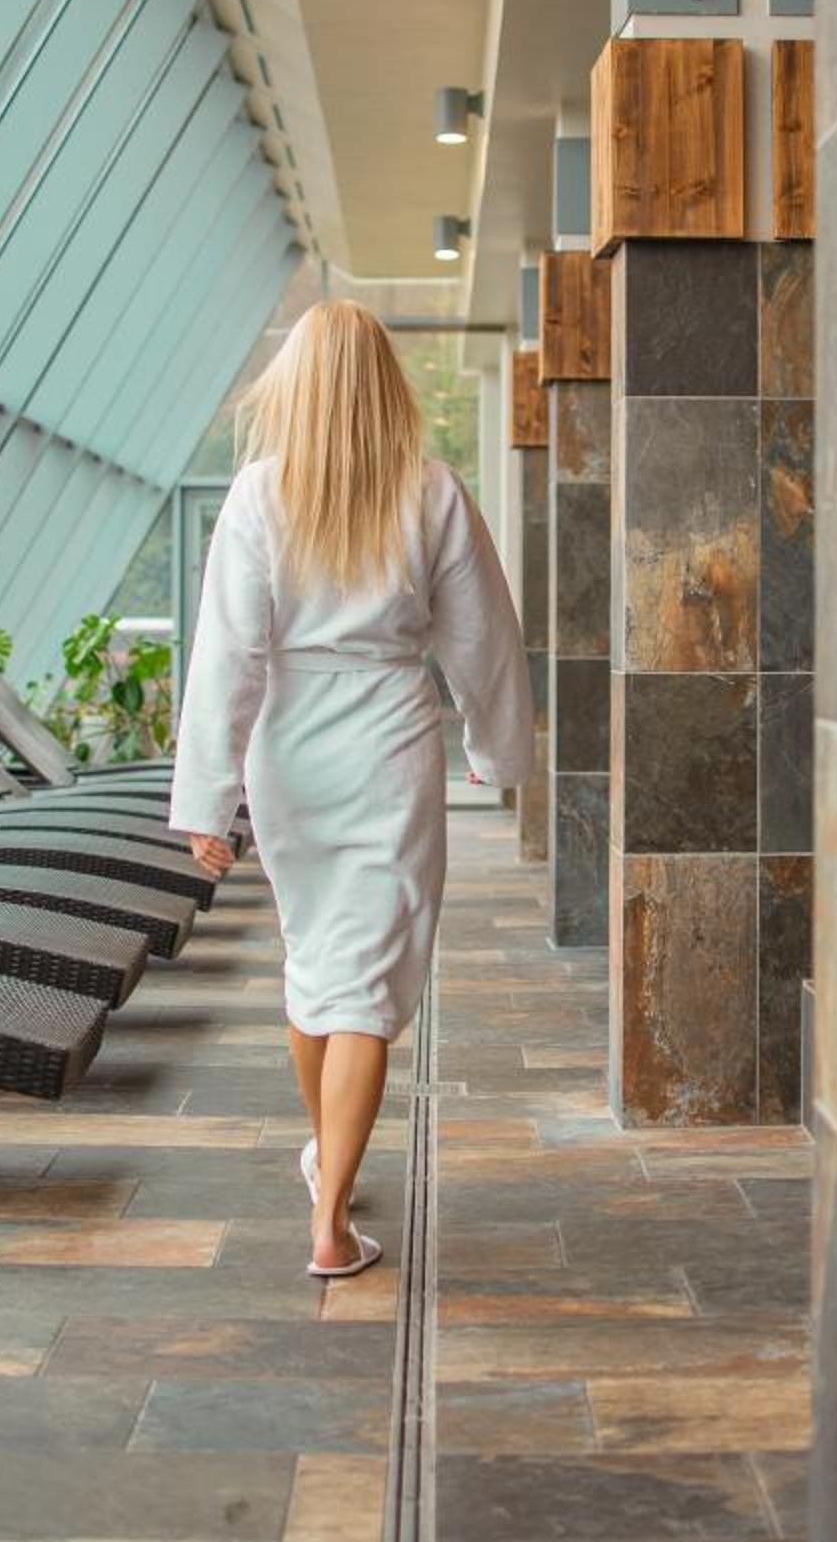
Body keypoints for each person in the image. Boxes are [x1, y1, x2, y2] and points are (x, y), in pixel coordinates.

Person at [167, 300, 533, 1277]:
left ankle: (327, 1158)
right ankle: (330, 1218)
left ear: (296, 385)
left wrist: (207, 800)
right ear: (385, 384)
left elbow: (226, 656)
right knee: (365, 982)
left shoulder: (258, 495)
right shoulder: (432, 491)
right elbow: (484, 640)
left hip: (288, 752)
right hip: (387, 743)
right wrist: (498, 754)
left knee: (316, 962)